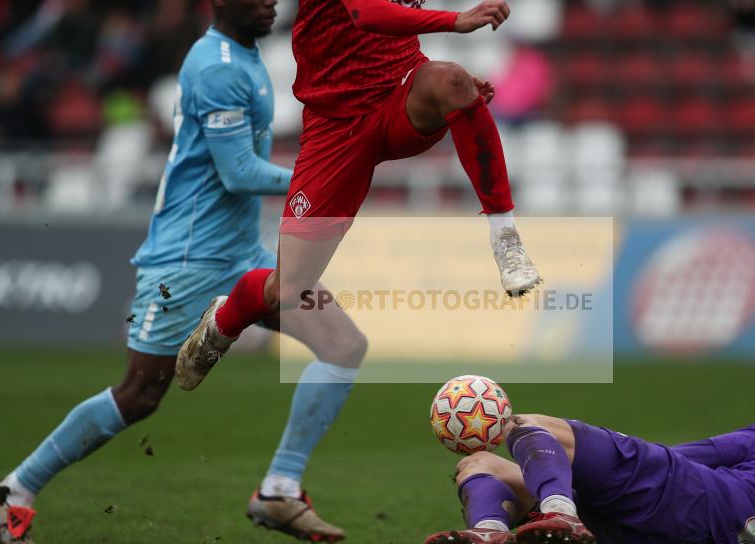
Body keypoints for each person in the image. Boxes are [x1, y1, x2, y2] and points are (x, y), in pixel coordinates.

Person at [0, 0, 366, 544]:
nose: (272, 4)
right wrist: (321, 180)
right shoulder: (217, 66)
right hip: (188, 260)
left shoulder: (243, 54)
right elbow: (236, 172)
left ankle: (279, 488)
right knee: (141, 394)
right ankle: (14, 492)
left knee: (341, 344)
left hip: (243, 255)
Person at [174, 0, 542, 392]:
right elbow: (366, 13)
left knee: (452, 80)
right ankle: (222, 323)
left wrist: (457, 94)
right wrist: (455, 20)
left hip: (399, 94)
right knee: (288, 290)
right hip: (336, 124)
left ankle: (505, 237)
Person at [423, 389, 755, 544]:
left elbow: (689, 457)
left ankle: (531, 515)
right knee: (483, 464)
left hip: (694, 504)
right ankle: (509, 524)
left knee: (526, 427)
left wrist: (591, 467)